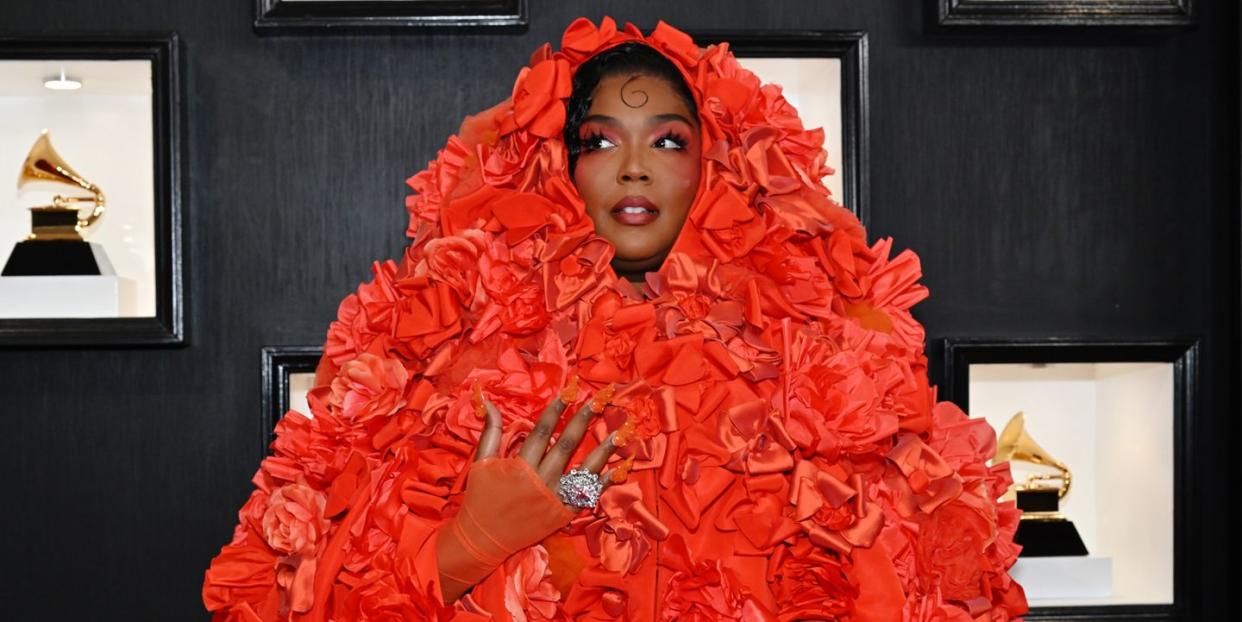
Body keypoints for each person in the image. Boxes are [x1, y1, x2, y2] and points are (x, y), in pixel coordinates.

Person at [203, 17, 1027, 621]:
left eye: (668, 140)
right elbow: (283, 599)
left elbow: (948, 588)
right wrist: (471, 546)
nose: (634, 165)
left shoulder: (822, 361)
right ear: (556, 164)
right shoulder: (443, 350)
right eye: (600, 140)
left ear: (719, 162)